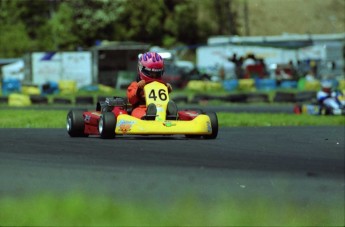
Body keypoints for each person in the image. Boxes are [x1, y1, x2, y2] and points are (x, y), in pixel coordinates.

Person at [127, 52, 178, 120]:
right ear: (141, 69)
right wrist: (138, 89)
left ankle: (171, 116)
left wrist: (167, 88)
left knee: (168, 110)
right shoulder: (135, 85)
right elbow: (131, 99)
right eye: (151, 73)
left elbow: (162, 97)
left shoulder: (161, 85)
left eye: (157, 74)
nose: (154, 76)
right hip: (142, 107)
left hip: (162, 108)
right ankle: (149, 116)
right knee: (136, 112)